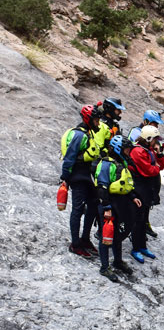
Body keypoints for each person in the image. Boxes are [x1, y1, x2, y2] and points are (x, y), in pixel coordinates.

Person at [94, 134, 142, 282]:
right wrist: (106, 206)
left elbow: (126, 184)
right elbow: (102, 187)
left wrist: (133, 196)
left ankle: (118, 261)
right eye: (126, 150)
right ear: (118, 149)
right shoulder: (107, 164)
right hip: (109, 203)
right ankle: (104, 267)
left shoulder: (121, 163)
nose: (128, 153)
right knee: (106, 235)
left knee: (118, 233)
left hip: (121, 202)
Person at [60, 104, 103, 257]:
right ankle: (75, 243)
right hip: (78, 176)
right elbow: (69, 157)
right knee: (77, 210)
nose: (98, 123)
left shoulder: (87, 132)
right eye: (97, 120)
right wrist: (65, 178)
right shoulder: (80, 135)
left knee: (94, 203)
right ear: (89, 120)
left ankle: (85, 238)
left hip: (86, 175)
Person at [128, 125, 164, 263]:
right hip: (138, 188)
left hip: (146, 189)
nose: (157, 142)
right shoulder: (138, 151)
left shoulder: (149, 150)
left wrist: (160, 154)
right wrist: (155, 166)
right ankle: (135, 248)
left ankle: (142, 246)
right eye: (155, 139)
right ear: (149, 138)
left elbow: (160, 167)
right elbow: (150, 170)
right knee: (137, 220)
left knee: (143, 219)